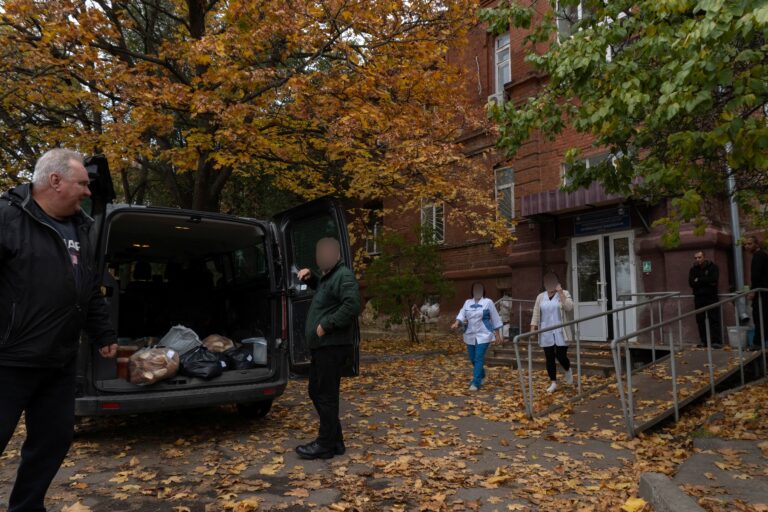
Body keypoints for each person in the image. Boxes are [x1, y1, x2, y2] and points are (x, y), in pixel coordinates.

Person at [0, 148, 118, 512]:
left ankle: (27, 508)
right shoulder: (7, 217)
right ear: (55, 181)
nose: (87, 191)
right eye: (82, 183)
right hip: (9, 359)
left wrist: (103, 333)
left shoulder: (82, 227)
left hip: (60, 360)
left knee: (52, 442)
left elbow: (88, 286)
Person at [295, 238, 361, 460]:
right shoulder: (328, 278)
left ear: (336, 254)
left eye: (327, 253)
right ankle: (336, 441)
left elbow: (352, 305)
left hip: (332, 347)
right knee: (317, 391)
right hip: (323, 347)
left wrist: (326, 325)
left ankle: (325, 444)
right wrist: (312, 278)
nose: (322, 257)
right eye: (319, 253)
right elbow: (328, 295)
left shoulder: (344, 275)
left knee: (325, 395)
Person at [451, 282, 503, 391]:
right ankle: (482, 374)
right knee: (472, 358)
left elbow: (495, 317)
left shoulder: (488, 302)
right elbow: (462, 313)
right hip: (470, 334)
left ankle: (475, 382)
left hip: (484, 334)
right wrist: (456, 323)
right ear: (472, 291)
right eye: (475, 289)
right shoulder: (467, 302)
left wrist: (497, 334)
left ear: (483, 291)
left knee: (478, 357)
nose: (477, 291)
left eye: (480, 289)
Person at [530, 272, 574, 393]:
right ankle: (553, 382)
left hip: (561, 330)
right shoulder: (540, 297)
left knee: (561, 356)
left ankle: (567, 369)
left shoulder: (564, 293)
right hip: (546, 330)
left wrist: (560, 292)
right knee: (549, 357)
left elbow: (569, 307)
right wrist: (533, 328)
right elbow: (536, 313)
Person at [688, 251, 722, 348]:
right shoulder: (693, 269)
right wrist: (705, 280)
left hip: (711, 296)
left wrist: (698, 280)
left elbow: (713, 279)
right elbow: (691, 283)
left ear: (704, 257)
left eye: (699, 257)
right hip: (699, 297)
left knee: (714, 318)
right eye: (696, 258)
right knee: (700, 320)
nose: (697, 260)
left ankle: (716, 341)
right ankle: (704, 341)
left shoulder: (712, 267)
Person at [745, 235, 768, 350]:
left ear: (756, 244)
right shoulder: (762, 255)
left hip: (761, 293)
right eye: (745, 244)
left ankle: (757, 343)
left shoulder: (758, 256)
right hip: (763, 292)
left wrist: (753, 291)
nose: (747, 246)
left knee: (759, 317)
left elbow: (756, 275)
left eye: (749, 244)